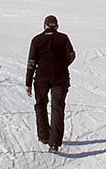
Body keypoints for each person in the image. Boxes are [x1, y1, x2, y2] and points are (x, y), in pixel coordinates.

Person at [26, 15, 77, 152]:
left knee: (41, 105)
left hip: (41, 78)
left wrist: (28, 82)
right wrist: (62, 65)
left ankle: (44, 136)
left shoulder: (37, 40)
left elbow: (31, 62)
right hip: (60, 78)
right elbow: (71, 55)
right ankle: (54, 143)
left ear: (44, 26)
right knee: (58, 108)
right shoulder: (63, 38)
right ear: (57, 26)